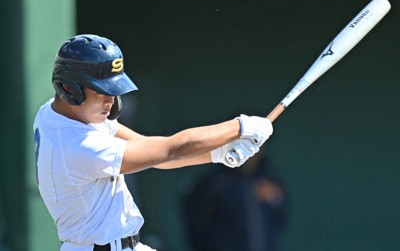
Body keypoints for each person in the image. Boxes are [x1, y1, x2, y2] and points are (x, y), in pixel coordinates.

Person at [33, 34, 273, 251]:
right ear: (68, 88)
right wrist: (239, 127)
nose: (111, 101)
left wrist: (219, 152)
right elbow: (172, 150)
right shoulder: (79, 146)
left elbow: (152, 150)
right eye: (101, 92)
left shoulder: (56, 113)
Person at [184, 151, 286, 251]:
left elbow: (280, 220)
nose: (252, 150)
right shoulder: (215, 184)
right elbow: (198, 227)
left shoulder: (271, 181)